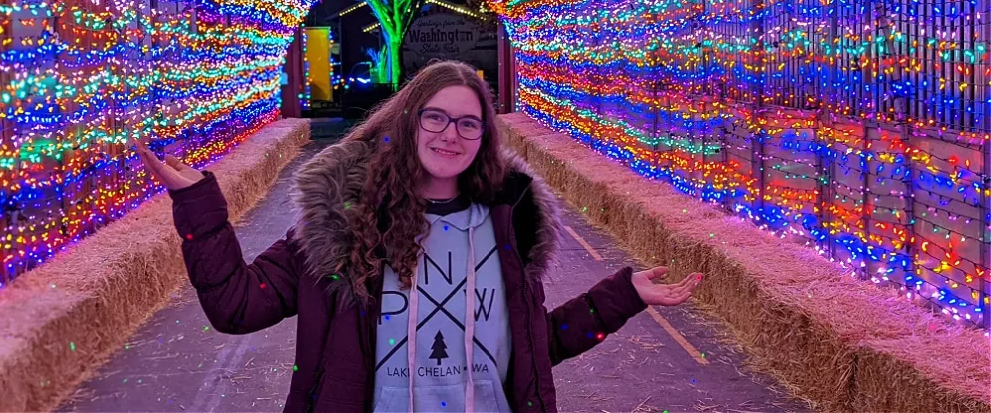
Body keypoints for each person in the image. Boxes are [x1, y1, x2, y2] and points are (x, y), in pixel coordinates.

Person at [134, 60, 701, 413]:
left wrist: (625, 295)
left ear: (485, 136)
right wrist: (198, 206)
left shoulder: (509, 226)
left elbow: (532, 349)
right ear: (408, 121)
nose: (450, 134)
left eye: (468, 122)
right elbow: (237, 307)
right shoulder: (341, 225)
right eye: (435, 117)